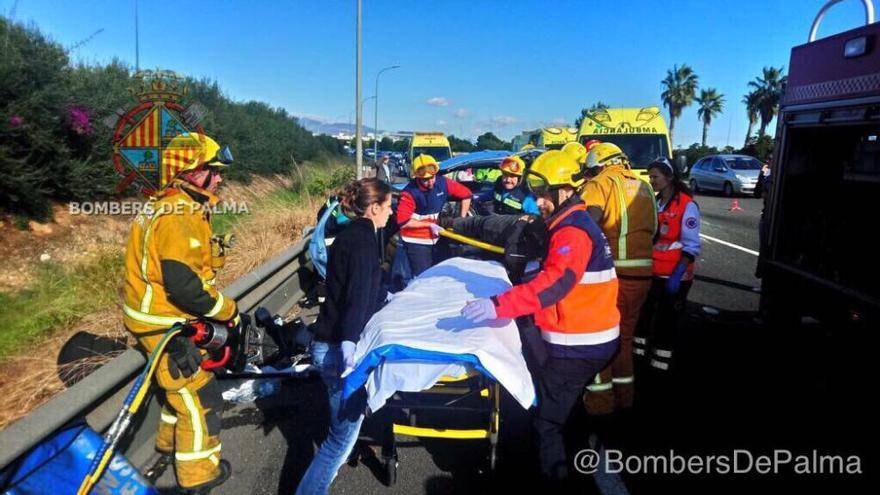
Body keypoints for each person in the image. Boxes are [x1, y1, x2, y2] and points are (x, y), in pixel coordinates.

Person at [460, 149, 620, 483]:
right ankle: (579, 464)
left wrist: (498, 305)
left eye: (546, 194)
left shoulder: (573, 232)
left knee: (547, 423)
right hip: (593, 336)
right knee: (570, 411)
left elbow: (554, 284)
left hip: (577, 345)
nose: (540, 201)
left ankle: (556, 480)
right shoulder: (570, 223)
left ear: (565, 190)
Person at [122, 133, 236, 494]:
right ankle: (198, 476)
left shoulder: (171, 204)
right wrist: (227, 310)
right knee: (199, 400)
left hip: (158, 316)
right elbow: (184, 287)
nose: (219, 179)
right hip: (163, 322)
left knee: (179, 392)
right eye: (213, 171)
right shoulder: (178, 216)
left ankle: (170, 446)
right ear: (190, 172)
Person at [296, 178, 393, 494]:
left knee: (340, 433)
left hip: (328, 342)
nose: (391, 213)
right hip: (337, 350)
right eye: (388, 206)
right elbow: (356, 296)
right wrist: (350, 342)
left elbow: (355, 290)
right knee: (338, 442)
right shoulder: (364, 242)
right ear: (375, 208)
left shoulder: (353, 234)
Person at [580, 142, 657, 415]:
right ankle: (625, 396)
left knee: (599, 337)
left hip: (612, 276)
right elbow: (654, 231)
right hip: (643, 276)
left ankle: (600, 402)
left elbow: (586, 226)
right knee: (624, 338)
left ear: (599, 164)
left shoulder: (600, 183)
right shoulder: (644, 186)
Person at [634, 158, 701, 378]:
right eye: (650, 176)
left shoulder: (686, 205)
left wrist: (678, 274)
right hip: (653, 273)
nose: (651, 180)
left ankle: (660, 367)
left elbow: (691, 246)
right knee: (643, 318)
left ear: (669, 177)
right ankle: (638, 359)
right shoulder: (656, 202)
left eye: (655, 176)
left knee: (666, 323)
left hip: (674, 276)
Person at [396, 154, 472, 277]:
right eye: (425, 180)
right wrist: (429, 224)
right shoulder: (409, 193)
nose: (430, 182)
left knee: (440, 273)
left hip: (436, 238)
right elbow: (403, 222)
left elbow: (466, 194)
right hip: (416, 241)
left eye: (432, 177)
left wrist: (461, 218)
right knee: (422, 277)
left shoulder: (443, 183)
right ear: (417, 177)